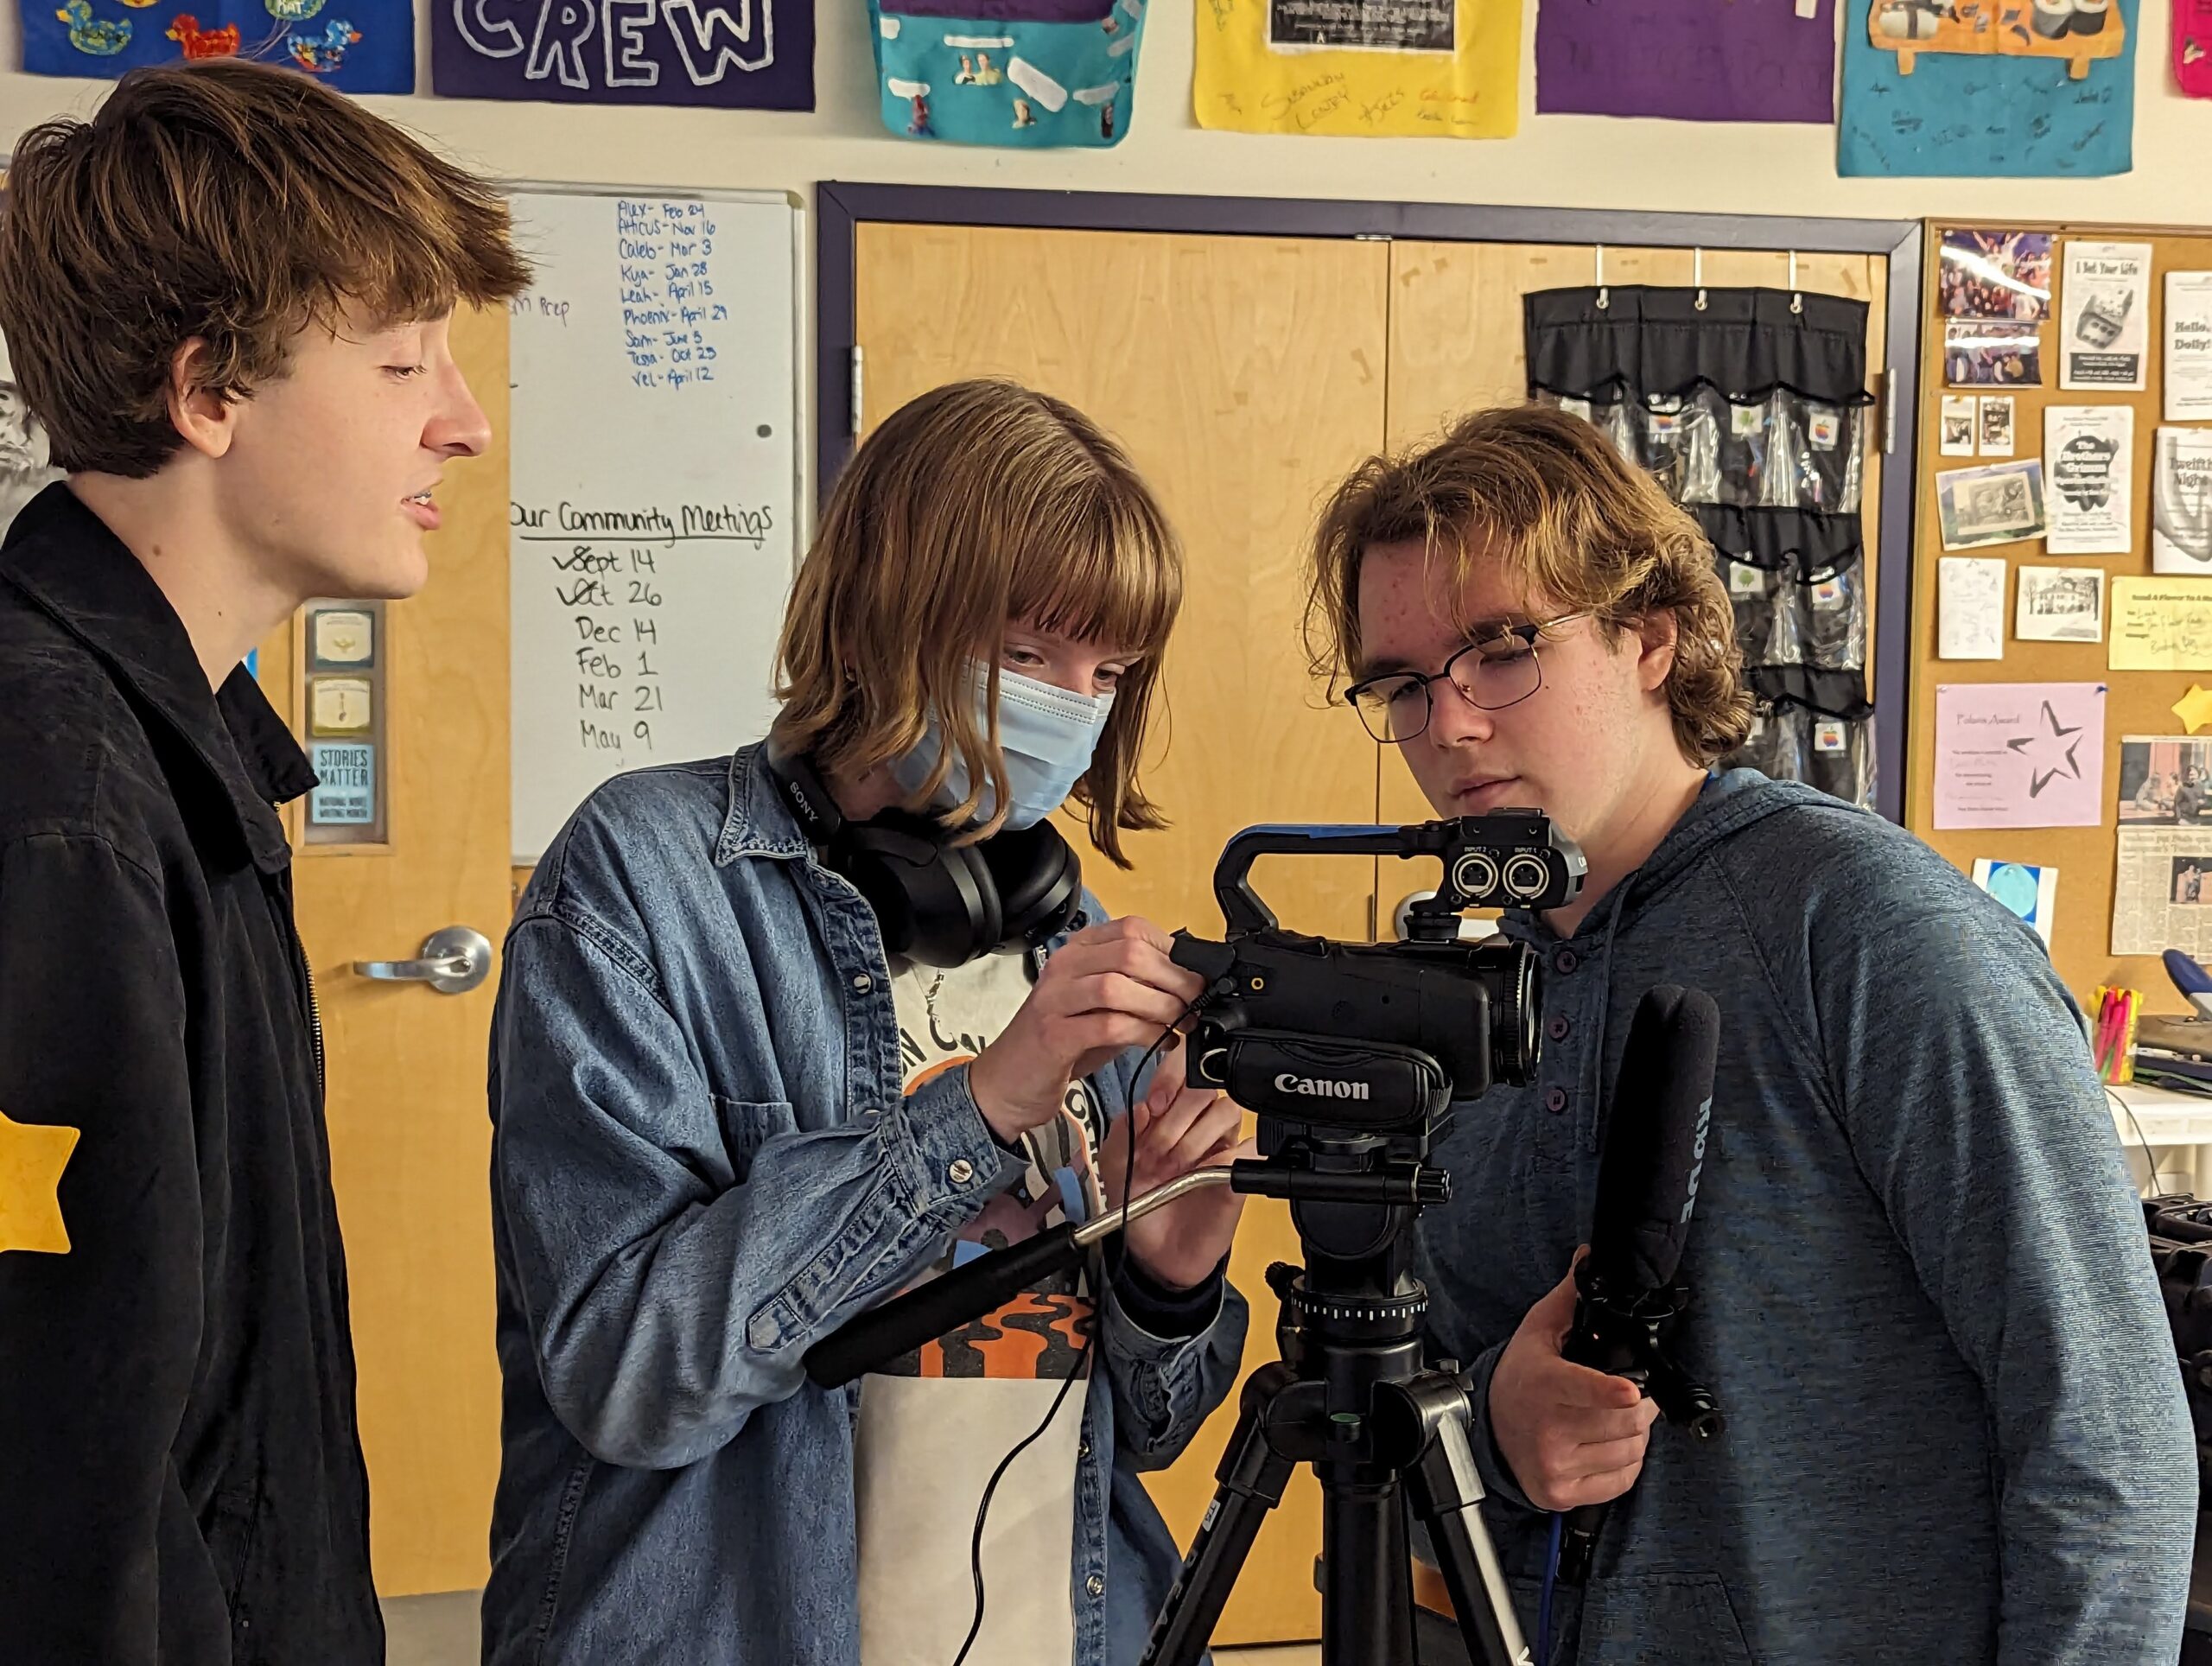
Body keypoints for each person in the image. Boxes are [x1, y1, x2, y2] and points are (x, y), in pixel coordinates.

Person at [1301, 404, 2193, 1663]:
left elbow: (2109, 1442)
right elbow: (1430, 1425)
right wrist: (1496, 1428)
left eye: (1502, 650)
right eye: (1402, 684)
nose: (1448, 726)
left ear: (1649, 635)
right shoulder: (1470, 986)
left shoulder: (1870, 934)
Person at [484, 378, 1249, 1666]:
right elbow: (627, 1373)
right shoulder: (645, 879)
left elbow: (1153, 1432)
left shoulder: (1066, 927)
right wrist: (980, 1108)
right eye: (1023, 654)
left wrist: (1167, 1284)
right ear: (883, 618)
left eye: (1106, 671)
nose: (1072, 704)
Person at [0, 60, 528, 1663]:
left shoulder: (176, 741)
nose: (465, 420)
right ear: (207, 389)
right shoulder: (56, 790)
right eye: (397, 362)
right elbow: (62, 1440)